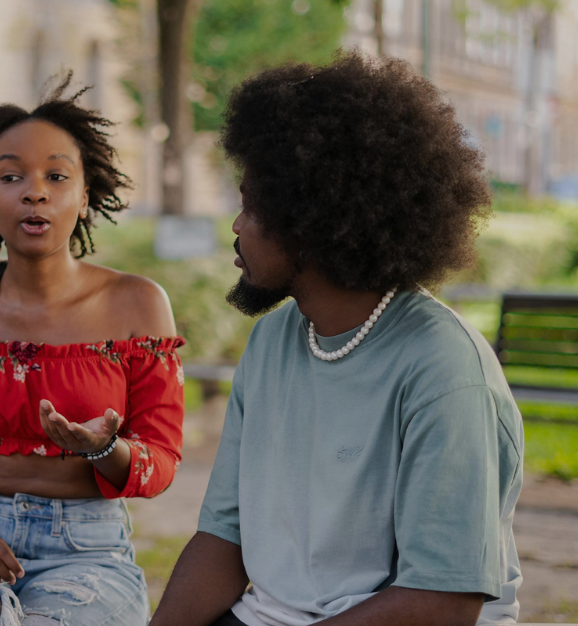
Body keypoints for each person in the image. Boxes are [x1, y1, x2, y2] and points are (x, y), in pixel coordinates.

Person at [150, 50, 523, 626]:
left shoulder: (446, 370)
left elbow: (441, 602)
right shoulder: (273, 339)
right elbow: (225, 538)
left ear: (310, 220)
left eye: (248, 206)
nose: (236, 226)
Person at [0, 73, 185, 626]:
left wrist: (104, 449)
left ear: (84, 196)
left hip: (91, 552)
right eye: (11, 176)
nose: (35, 191)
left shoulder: (137, 304)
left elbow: (163, 458)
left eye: (57, 175)